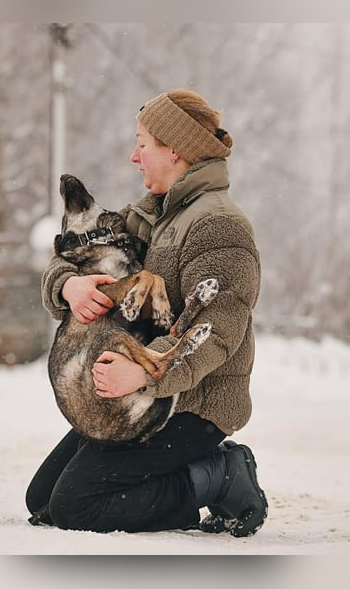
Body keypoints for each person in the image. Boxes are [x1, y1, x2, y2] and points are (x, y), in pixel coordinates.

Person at [25, 89, 267, 537]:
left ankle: (218, 475)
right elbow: (78, 252)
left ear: (174, 150)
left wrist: (144, 373)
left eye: (142, 143)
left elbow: (215, 332)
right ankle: (183, 469)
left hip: (193, 403)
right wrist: (69, 285)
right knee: (42, 501)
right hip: (138, 396)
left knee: (78, 506)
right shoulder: (148, 216)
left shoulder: (218, 224)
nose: (133, 156)